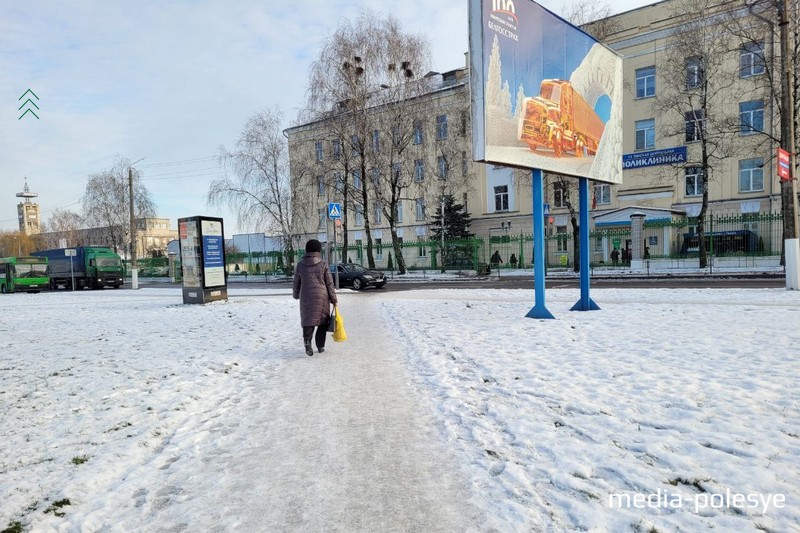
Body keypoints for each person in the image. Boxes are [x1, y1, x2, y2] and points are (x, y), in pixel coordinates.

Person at [293, 239, 338, 356]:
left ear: (306, 250)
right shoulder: (323, 264)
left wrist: (296, 294)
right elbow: (329, 283)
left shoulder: (300, 265)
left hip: (306, 296)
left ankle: (307, 341)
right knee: (322, 321)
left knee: (308, 320)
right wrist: (334, 299)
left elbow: (296, 282)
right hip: (322, 296)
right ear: (318, 250)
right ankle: (320, 346)